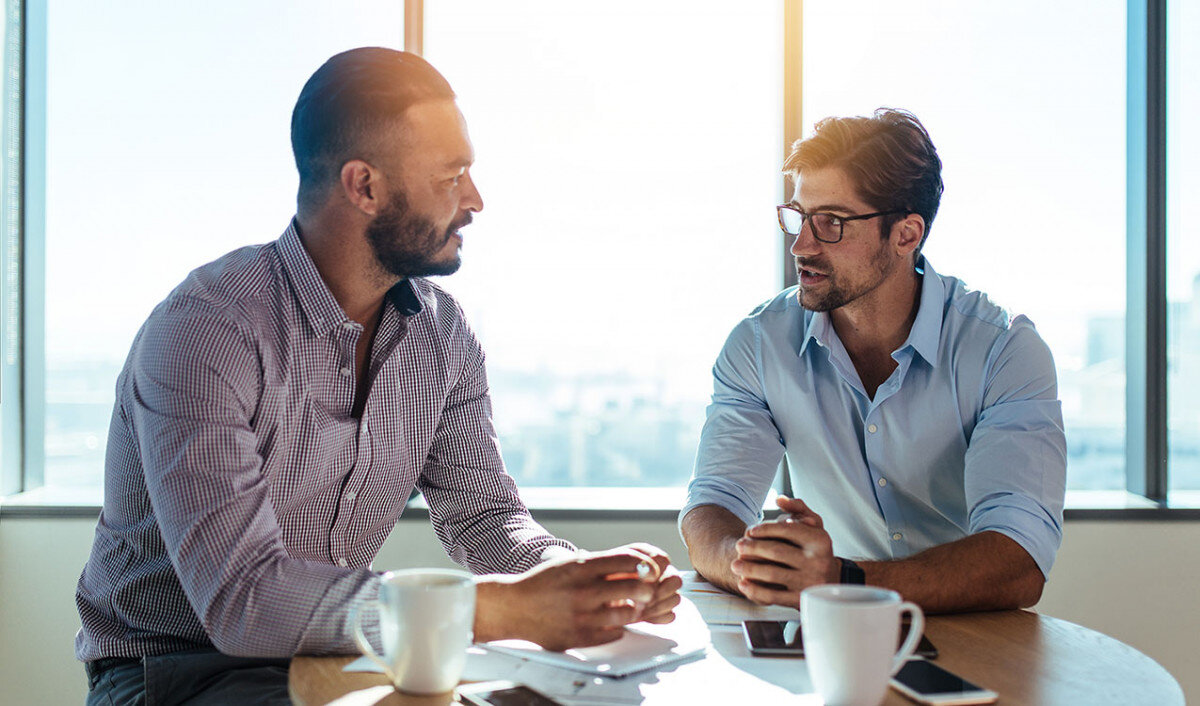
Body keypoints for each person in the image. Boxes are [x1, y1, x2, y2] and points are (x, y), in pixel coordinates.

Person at [75, 47, 681, 704]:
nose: (475, 199)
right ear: (364, 186)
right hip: (174, 672)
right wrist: (505, 609)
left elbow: (483, 515)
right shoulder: (207, 329)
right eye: (452, 176)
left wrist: (578, 583)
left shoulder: (442, 334)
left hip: (344, 653)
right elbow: (242, 601)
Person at [680, 108, 1066, 614]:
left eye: (832, 223)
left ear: (906, 234)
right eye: (798, 217)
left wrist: (839, 578)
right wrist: (756, 564)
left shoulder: (1003, 350)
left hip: (973, 628)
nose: (801, 245)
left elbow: (1019, 558)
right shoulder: (759, 343)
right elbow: (715, 501)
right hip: (832, 627)